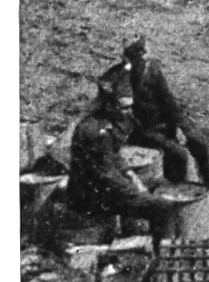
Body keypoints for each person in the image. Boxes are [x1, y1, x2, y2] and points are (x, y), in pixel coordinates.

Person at [103, 36, 209, 220]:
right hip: (142, 132)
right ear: (130, 58)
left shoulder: (152, 70)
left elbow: (168, 102)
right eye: (139, 55)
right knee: (179, 154)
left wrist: (180, 127)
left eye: (144, 53)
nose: (144, 58)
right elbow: (124, 116)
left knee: (199, 144)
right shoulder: (121, 78)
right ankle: (177, 206)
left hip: (164, 123)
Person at [67, 73, 175, 230]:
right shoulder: (95, 132)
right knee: (163, 206)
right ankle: (157, 248)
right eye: (124, 108)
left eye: (131, 106)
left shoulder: (107, 122)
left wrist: (131, 175)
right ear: (109, 106)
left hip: (106, 186)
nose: (129, 112)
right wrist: (138, 192)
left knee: (157, 185)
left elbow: (114, 156)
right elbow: (107, 177)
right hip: (92, 196)